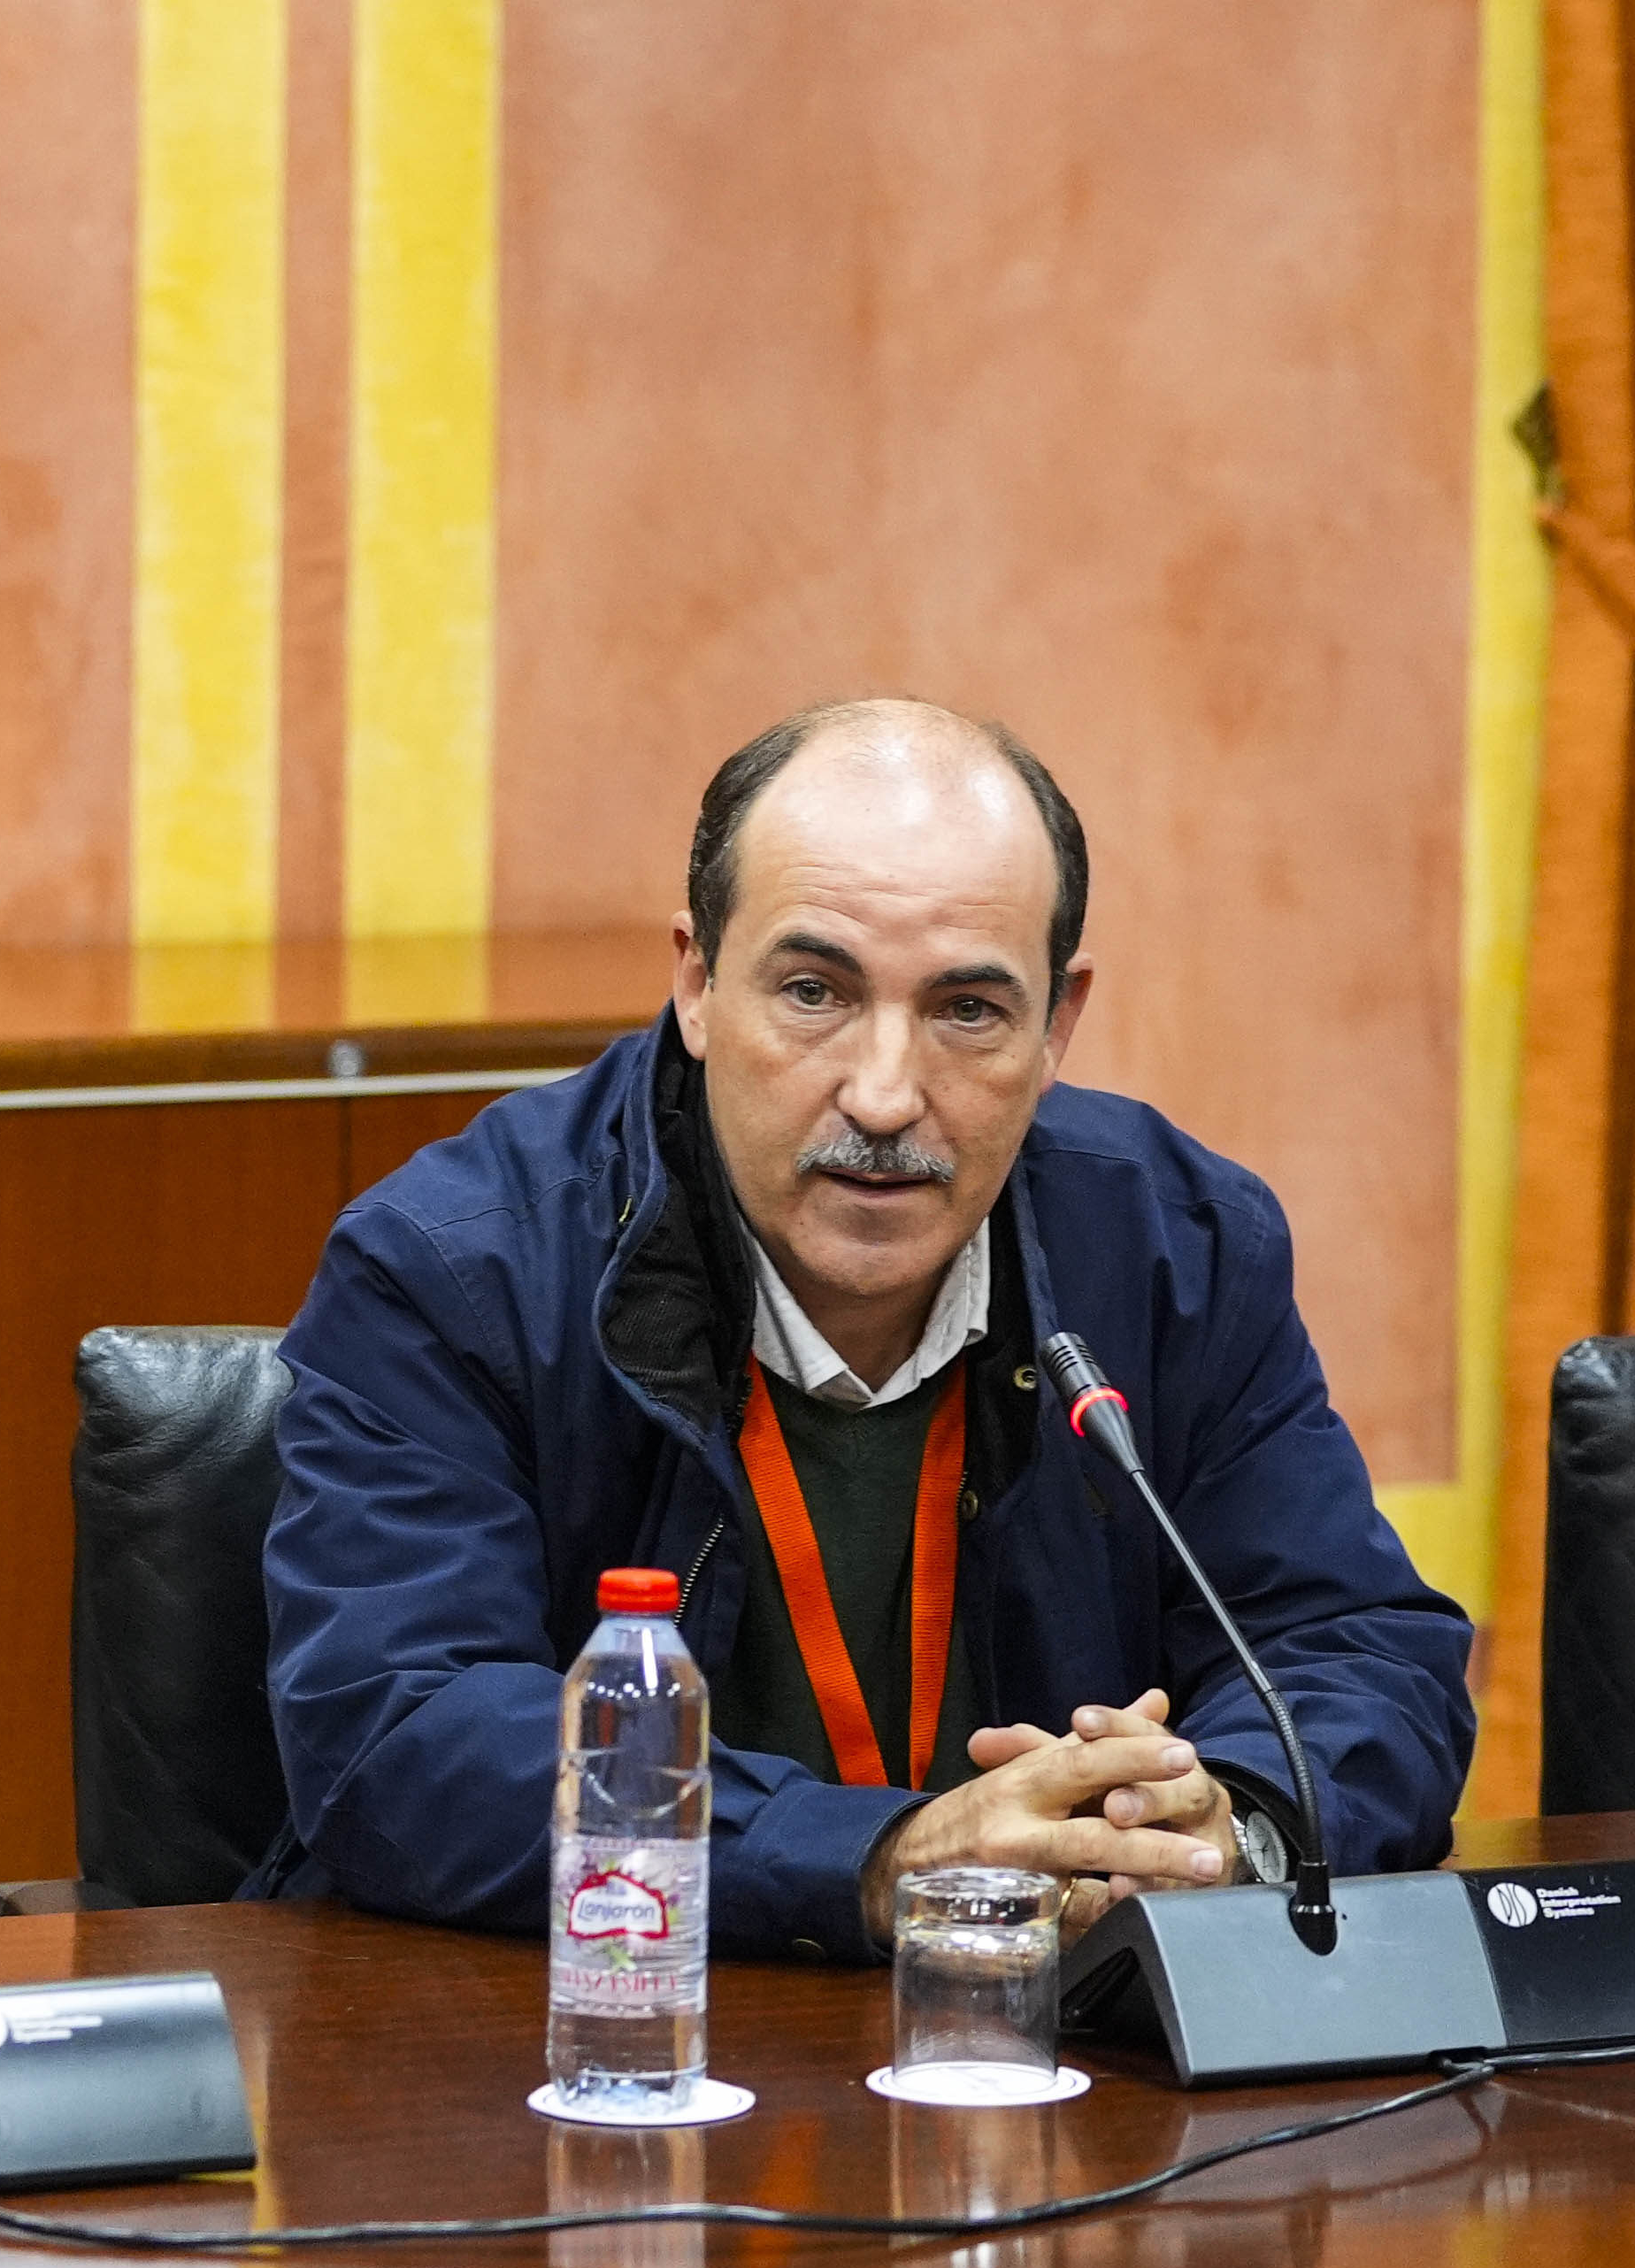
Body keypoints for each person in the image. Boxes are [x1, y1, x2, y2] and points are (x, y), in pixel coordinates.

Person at [252, 697, 1470, 1955]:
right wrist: (883, 1857)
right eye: (813, 991)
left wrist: (1227, 1824)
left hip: (1052, 2073)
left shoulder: (1179, 1248)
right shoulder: (457, 1268)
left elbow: (1359, 1649)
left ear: (1056, 1023)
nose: (884, 1094)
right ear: (696, 981)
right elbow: (395, 1736)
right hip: (607, 2050)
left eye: (966, 1012)